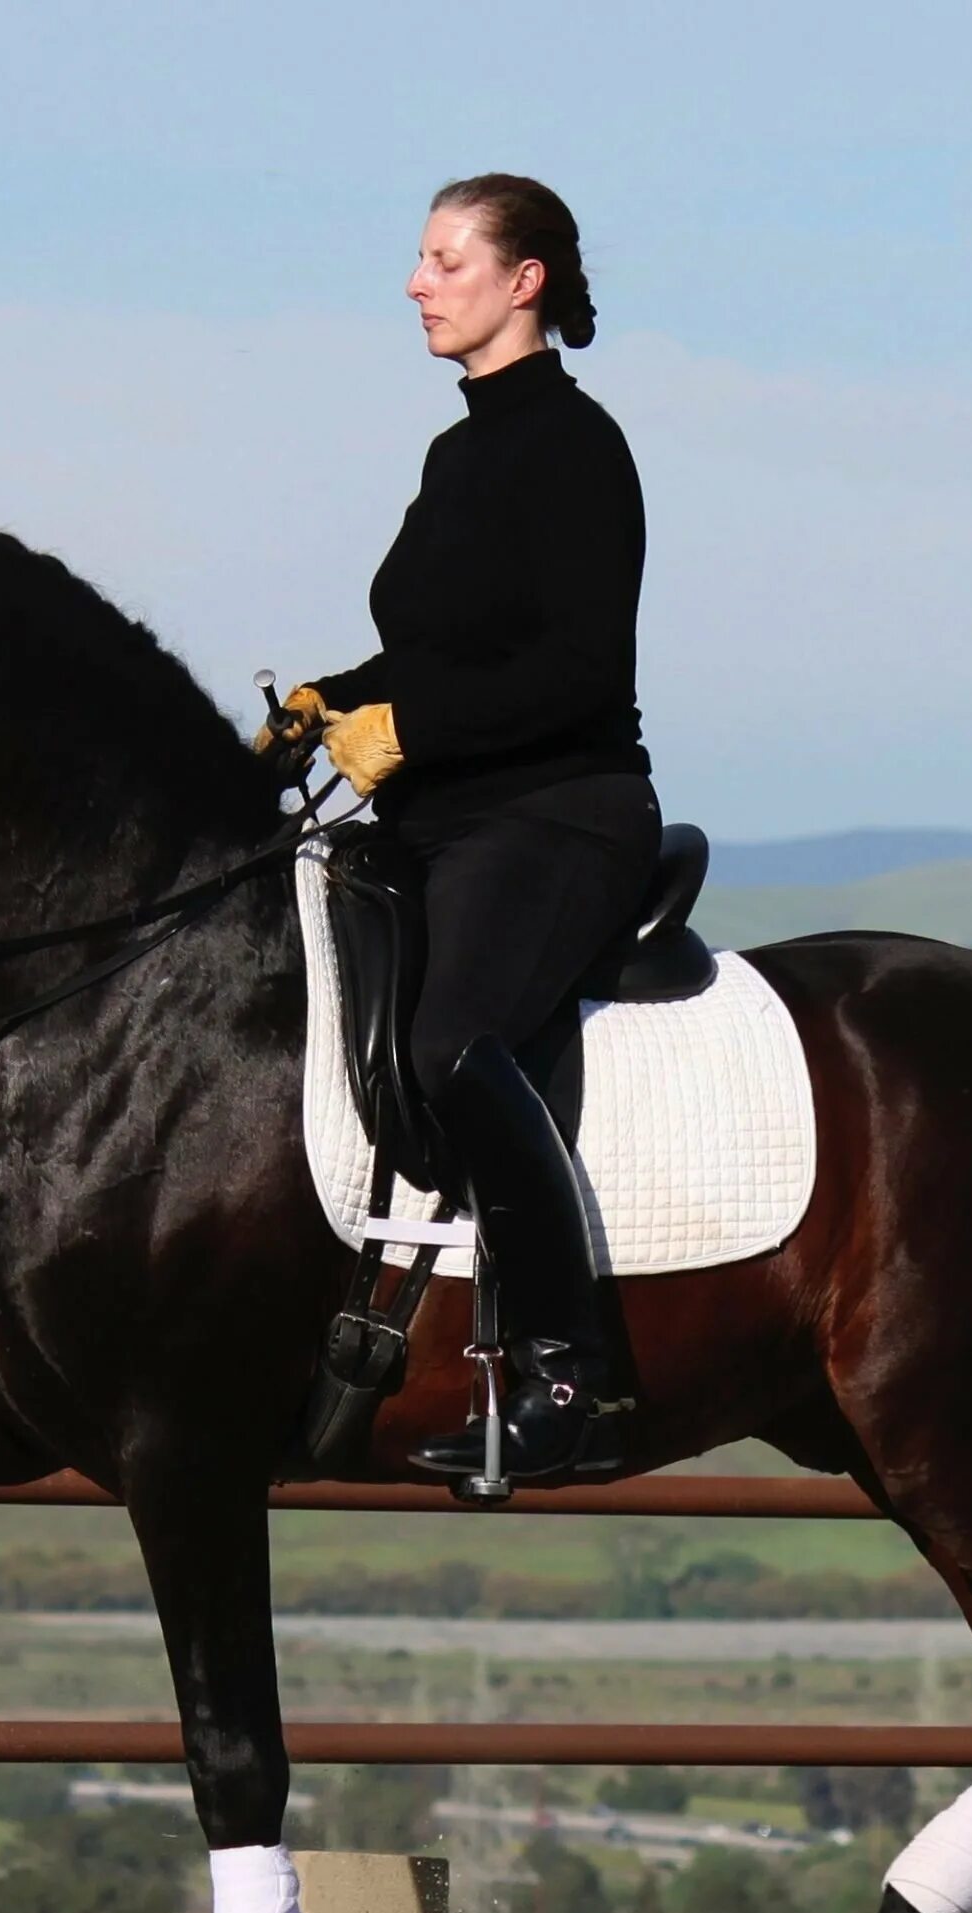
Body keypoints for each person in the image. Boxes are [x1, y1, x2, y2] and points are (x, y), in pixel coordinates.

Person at [262, 172, 660, 1483]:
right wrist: (335, 701)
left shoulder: (575, 447)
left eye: (443, 259)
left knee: (447, 1044)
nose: (418, 283)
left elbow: (578, 673)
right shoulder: (460, 450)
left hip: (560, 816)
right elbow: (434, 654)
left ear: (522, 279)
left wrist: (412, 730)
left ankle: (571, 1374)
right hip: (443, 817)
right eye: (421, 261)